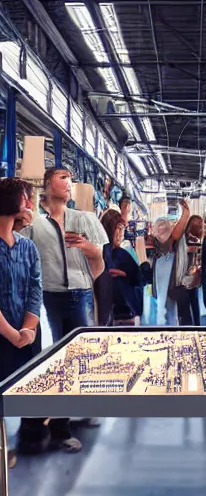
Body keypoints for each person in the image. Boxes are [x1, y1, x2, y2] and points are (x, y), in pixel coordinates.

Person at [22, 166, 109, 453]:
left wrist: (86, 247)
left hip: (80, 294)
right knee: (50, 361)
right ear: (47, 185)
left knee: (78, 359)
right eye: (62, 178)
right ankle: (52, 427)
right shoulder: (35, 223)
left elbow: (99, 261)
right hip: (49, 297)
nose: (69, 183)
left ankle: (69, 417)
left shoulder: (83, 218)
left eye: (70, 179)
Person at [0, 179, 43, 467]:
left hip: (25, 333)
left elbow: (34, 290)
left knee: (30, 385)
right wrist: (12, 333)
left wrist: (28, 329)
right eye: (26, 198)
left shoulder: (28, 248)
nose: (30, 204)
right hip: (4, 332)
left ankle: (29, 437)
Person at [99, 211, 144, 326]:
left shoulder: (123, 254)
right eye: (117, 229)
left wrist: (122, 274)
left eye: (122, 229)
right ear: (109, 230)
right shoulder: (102, 252)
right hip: (109, 313)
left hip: (127, 313)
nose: (120, 234)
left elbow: (138, 278)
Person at [152, 200, 190, 326]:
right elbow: (175, 236)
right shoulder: (163, 245)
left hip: (166, 285)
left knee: (167, 312)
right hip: (165, 285)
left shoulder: (162, 246)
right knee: (167, 314)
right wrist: (185, 215)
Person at [170, 215, 203, 326]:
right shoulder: (183, 239)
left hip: (193, 281)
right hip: (182, 282)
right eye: (195, 223)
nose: (198, 226)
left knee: (194, 310)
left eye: (199, 224)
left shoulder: (196, 240)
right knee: (185, 315)